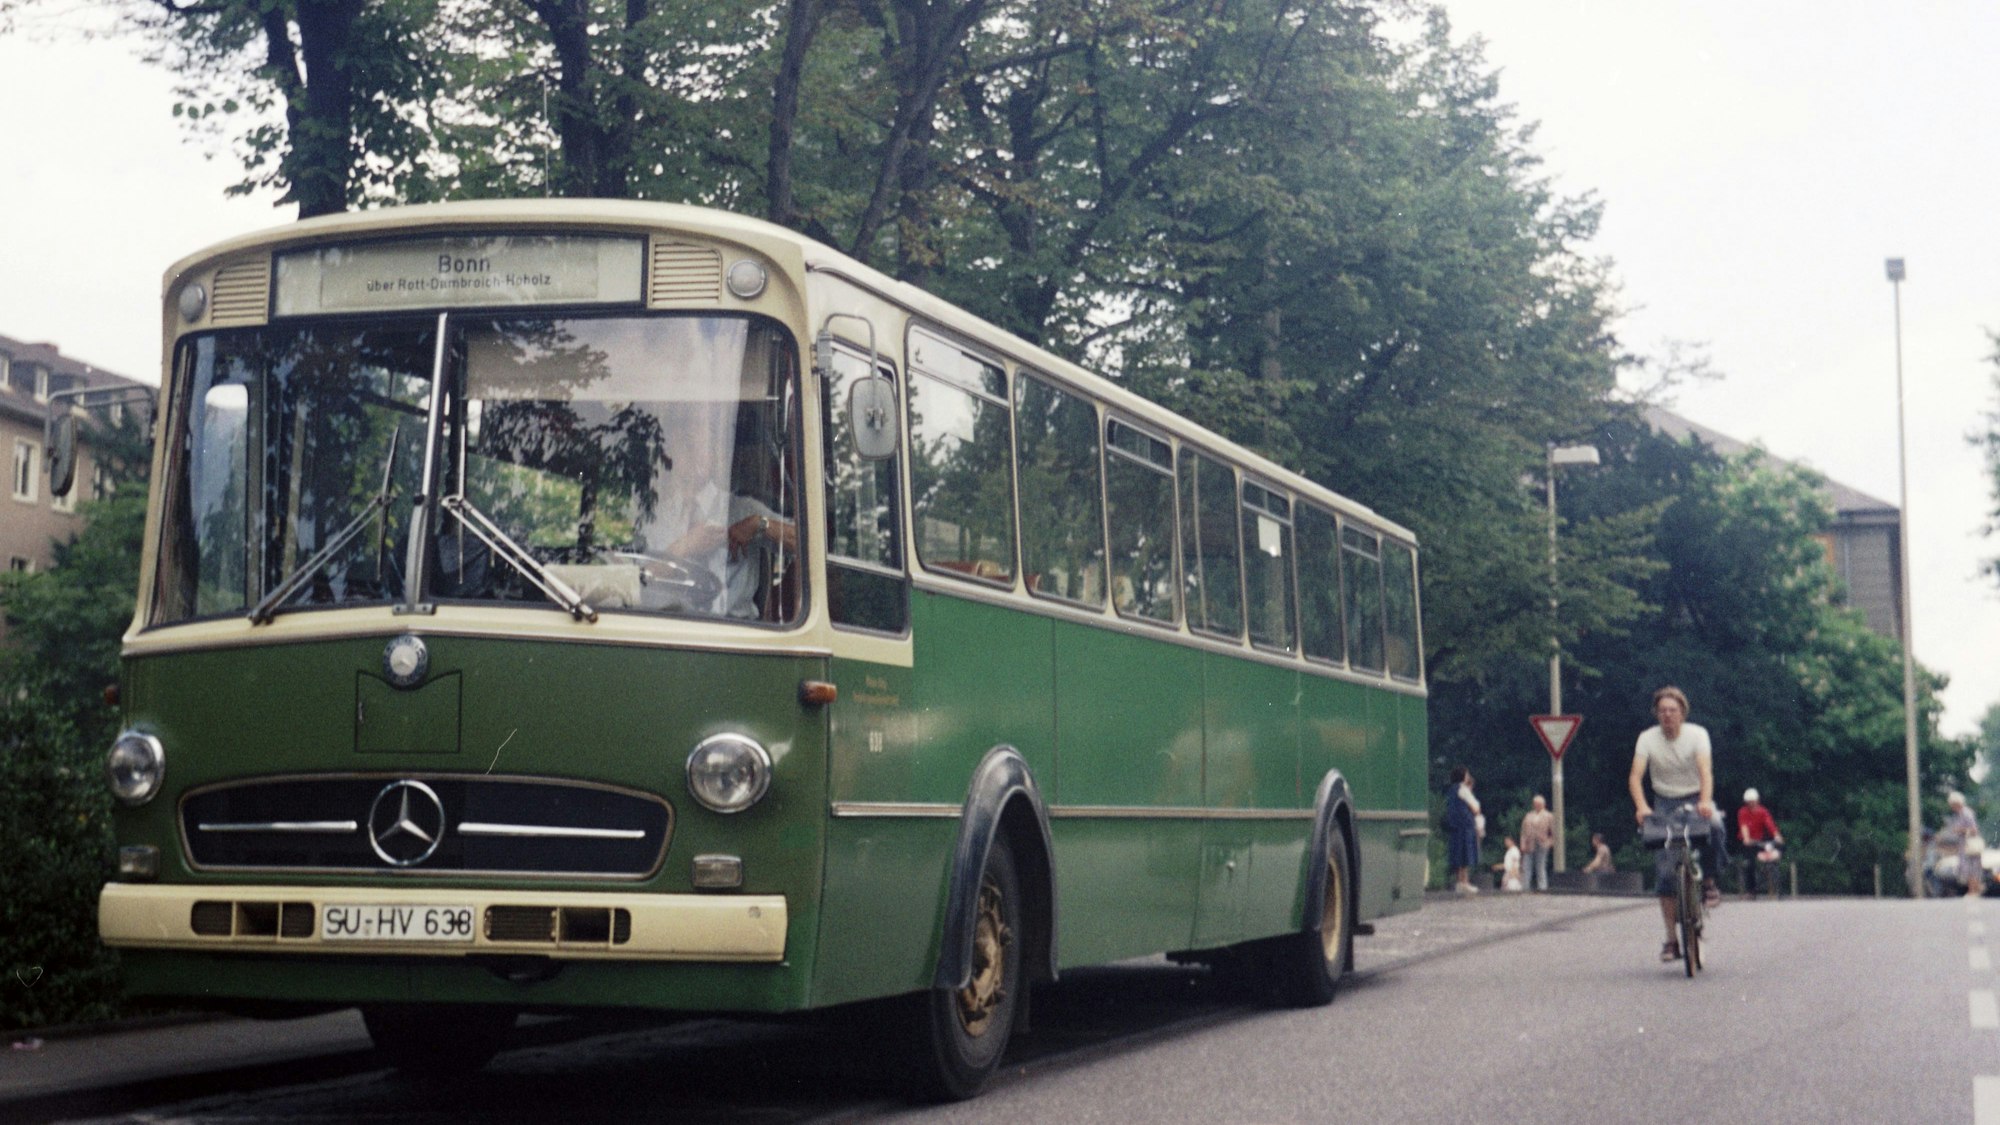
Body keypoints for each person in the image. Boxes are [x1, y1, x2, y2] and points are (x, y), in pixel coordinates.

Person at [1628, 684, 1728, 963]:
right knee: (1664, 872)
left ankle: (1709, 881)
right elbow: (1635, 776)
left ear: (1682, 712)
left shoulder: (1697, 734)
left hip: (1695, 798)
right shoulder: (1647, 738)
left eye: (1672, 710)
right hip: (1664, 803)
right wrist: (1642, 807)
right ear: (1656, 714)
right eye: (1662, 710)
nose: (1668, 715)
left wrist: (1705, 802)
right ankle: (1671, 940)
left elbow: (1705, 771)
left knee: (1715, 826)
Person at [1736, 788, 1783, 899]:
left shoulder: (1763, 811)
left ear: (1757, 801)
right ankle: (1751, 891)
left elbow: (1770, 824)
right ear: (1746, 802)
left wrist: (1777, 836)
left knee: (1773, 856)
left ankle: (1776, 887)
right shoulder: (1743, 812)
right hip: (1747, 843)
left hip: (1759, 841)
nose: (1752, 804)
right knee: (1750, 864)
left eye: (1754, 801)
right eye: (1749, 802)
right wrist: (1746, 838)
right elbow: (1743, 826)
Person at [1443, 765, 1482, 895]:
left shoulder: (1452, 790)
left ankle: (1459, 882)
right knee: (1466, 854)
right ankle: (1465, 882)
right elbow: (1475, 807)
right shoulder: (1463, 789)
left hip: (1456, 825)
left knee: (1458, 854)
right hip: (1466, 825)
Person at [1944, 791, 1984, 899]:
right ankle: (1976, 889)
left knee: (1971, 869)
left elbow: (1974, 829)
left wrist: (1959, 830)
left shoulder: (1966, 813)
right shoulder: (1960, 814)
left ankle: (1973, 891)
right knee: (1969, 868)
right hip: (1964, 845)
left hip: (1969, 845)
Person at [1519, 795, 1555, 892]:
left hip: (1542, 844)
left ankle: (1542, 888)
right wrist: (1522, 844)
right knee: (1526, 866)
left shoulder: (1549, 816)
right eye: (1535, 804)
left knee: (1540, 867)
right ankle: (1525, 888)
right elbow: (1523, 832)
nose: (1537, 805)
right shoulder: (1528, 815)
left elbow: (1554, 832)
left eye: (1539, 804)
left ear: (1543, 804)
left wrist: (1549, 842)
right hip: (1529, 844)